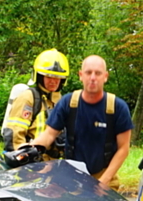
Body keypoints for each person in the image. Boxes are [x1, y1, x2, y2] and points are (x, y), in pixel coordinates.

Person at [31, 55, 133, 189]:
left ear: (106, 76)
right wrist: (30, 148)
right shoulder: (68, 103)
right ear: (81, 75)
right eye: (88, 72)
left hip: (105, 176)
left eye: (98, 73)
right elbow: (49, 135)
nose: (93, 77)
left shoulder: (117, 107)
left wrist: (104, 180)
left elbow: (123, 149)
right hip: (72, 175)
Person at [2, 49, 69, 158]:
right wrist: (24, 157)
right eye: (49, 76)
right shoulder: (28, 97)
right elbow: (15, 136)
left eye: (58, 77)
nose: (53, 81)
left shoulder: (59, 100)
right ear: (39, 76)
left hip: (53, 164)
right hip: (31, 166)